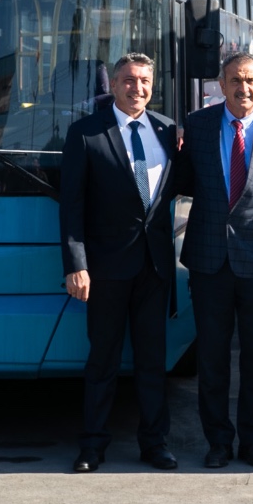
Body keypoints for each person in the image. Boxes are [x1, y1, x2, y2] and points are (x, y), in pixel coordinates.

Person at [174, 52, 253, 468]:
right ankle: (217, 442)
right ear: (220, 84)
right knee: (212, 358)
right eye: (234, 80)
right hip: (209, 262)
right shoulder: (196, 127)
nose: (242, 89)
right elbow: (181, 182)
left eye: (250, 81)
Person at [60, 53, 180, 473]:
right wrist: (77, 264)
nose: (138, 88)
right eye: (129, 80)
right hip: (105, 269)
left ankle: (155, 444)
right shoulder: (86, 133)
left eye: (145, 81)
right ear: (112, 84)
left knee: (152, 362)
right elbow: (72, 204)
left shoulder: (167, 130)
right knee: (102, 362)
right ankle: (92, 446)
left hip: (155, 268)